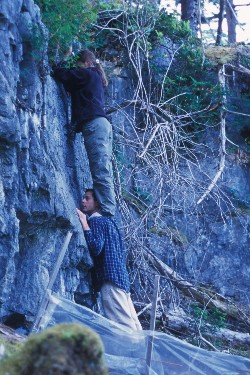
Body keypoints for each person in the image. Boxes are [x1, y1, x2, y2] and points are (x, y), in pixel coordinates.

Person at [53, 49, 116, 216]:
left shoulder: (87, 74)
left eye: (78, 65)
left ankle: (106, 212)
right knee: (103, 168)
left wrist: (65, 57)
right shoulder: (93, 76)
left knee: (100, 169)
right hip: (102, 125)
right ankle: (106, 209)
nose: (77, 69)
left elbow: (61, 73)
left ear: (86, 63)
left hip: (95, 125)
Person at [76, 189, 142, 331]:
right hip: (122, 280)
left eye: (87, 198)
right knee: (135, 327)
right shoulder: (110, 223)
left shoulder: (96, 221)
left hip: (110, 280)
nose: (83, 201)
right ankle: (141, 353)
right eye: (83, 198)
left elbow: (96, 247)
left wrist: (84, 222)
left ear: (97, 203)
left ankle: (128, 353)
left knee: (123, 327)